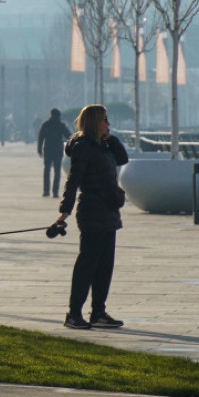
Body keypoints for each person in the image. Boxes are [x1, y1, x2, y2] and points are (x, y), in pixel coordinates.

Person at [52, 104, 129, 330]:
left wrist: (110, 138)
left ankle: (98, 312)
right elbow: (73, 180)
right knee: (88, 265)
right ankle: (74, 313)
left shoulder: (102, 145)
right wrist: (64, 212)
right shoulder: (83, 147)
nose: (108, 123)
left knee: (105, 265)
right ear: (95, 122)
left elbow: (122, 158)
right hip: (92, 210)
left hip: (108, 211)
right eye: (105, 120)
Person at [37, 108, 70, 198]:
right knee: (57, 171)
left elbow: (41, 138)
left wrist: (39, 149)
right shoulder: (60, 124)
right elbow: (68, 135)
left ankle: (46, 191)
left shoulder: (46, 124)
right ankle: (55, 192)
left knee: (47, 170)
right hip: (58, 151)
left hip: (48, 150)